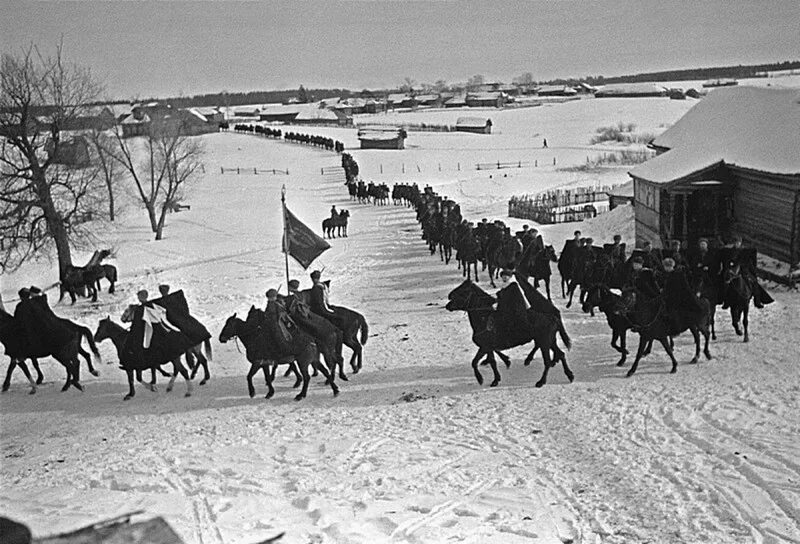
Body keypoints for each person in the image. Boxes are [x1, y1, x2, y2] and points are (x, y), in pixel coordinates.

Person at [661, 257, 704, 334]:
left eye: (665, 266)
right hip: (670, 297)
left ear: (669, 266)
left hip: (678, 298)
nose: (665, 268)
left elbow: (683, 287)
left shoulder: (678, 274)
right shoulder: (667, 275)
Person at [493, 269, 531, 343]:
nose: (504, 278)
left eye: (506, 276)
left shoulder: (513, 285)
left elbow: (508, 296)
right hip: (511, 305)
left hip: (516, 308)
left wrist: (500, 297)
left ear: (509, 277)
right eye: (503, 276)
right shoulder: (508, 284)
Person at [264, 288, 295, 354]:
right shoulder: (272, 304)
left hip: (278, 323)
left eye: (272, 297)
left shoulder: (276, 305)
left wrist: (287, 322)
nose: (270, 299)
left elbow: (282, 314)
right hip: (273, 322)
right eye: (269, 298)